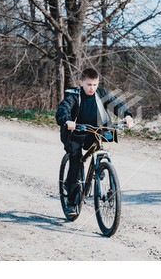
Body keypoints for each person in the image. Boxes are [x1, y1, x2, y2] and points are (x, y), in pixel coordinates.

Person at [56, 67, 134, 215]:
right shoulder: (74, 95)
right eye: (89, 84)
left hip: (94, 131)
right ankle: (71, 203)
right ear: (81, 83)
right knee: (76, 161)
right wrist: (67, 121)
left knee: (100, 147)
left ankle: (99, 169)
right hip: (75, 132)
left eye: (95, 84)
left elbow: (115, 103)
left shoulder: (101, 93)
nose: (92, 88)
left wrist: (127, 116)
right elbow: (63, 108)